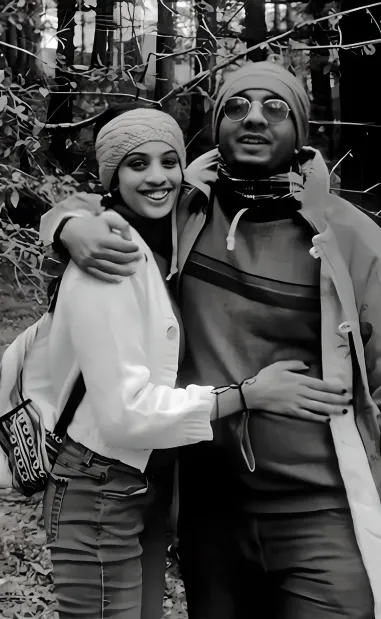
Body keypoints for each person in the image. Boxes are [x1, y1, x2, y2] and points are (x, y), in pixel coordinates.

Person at [38, 61, 380, 619]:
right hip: (207, 506)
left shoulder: (351, 238)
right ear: (216, 126)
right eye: (236, 108)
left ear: (301, 128)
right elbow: (108, 198)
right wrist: (66, 224)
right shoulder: (187, 210)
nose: (253, 119)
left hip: (320, 511)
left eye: (275, 108)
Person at [42, 105, 269, 619]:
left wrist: (60, 219)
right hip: (99, 482)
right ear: (111, 176)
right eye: (136, 164)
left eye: (170, 161)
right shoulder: (109, 255)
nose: (158, 176)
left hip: (147, 481)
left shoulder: (173, 235)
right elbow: (125, 413)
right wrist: (246, 396)